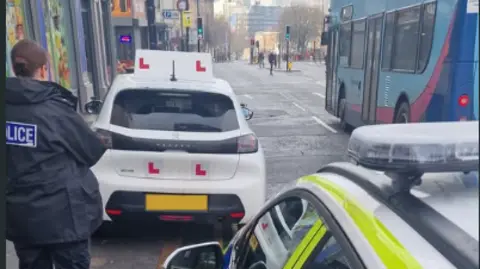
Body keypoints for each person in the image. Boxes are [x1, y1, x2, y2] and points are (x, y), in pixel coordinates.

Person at [6, 39, 106, 269]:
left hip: (22, 217)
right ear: (43, 69)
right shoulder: (55, 110)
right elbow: (90, 150)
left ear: (14, 68)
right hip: (64, 218)